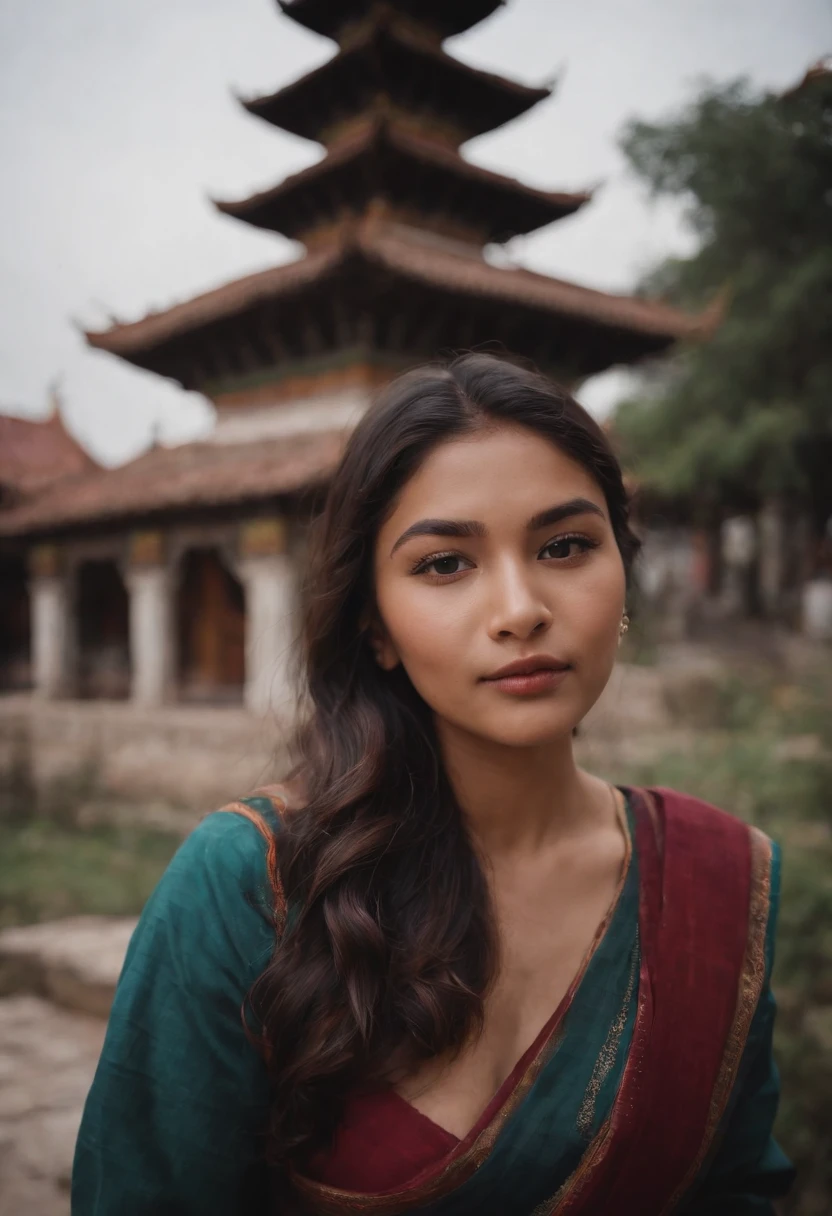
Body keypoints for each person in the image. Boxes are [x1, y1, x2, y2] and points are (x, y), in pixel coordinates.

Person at [72, 354, 795, 1214]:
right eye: (445, 564)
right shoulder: (252, 884)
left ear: (623, 574)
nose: (520, 607)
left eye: (565, 546)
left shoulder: (712, 884)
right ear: (375, 625)